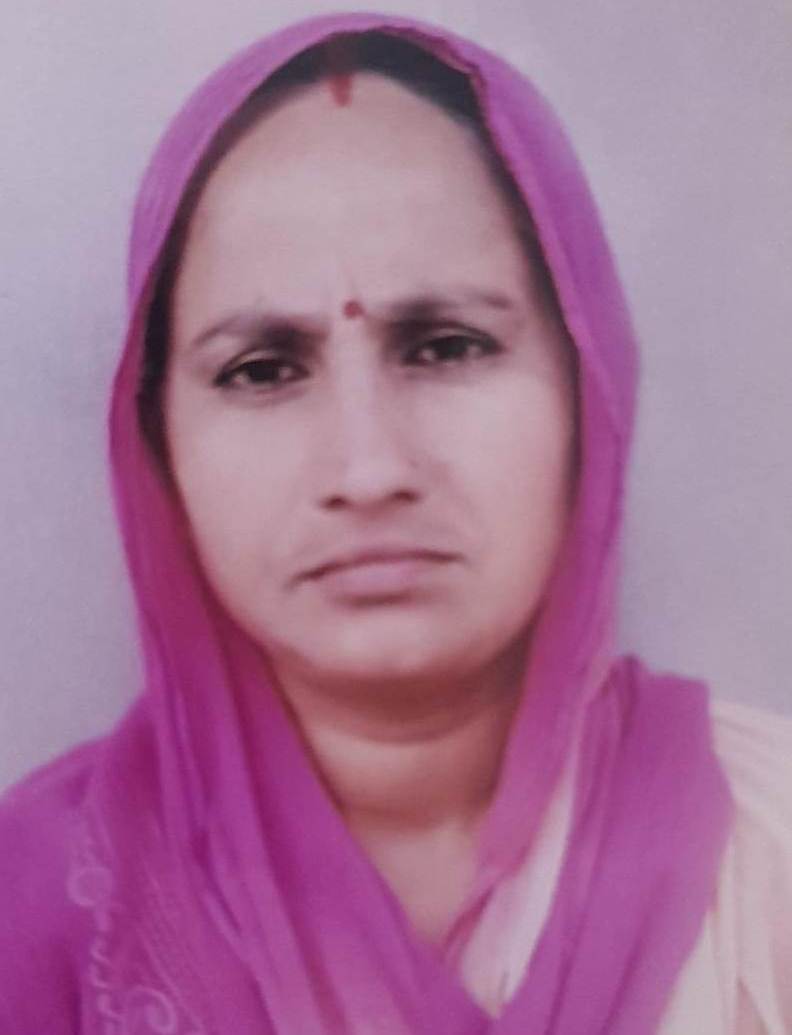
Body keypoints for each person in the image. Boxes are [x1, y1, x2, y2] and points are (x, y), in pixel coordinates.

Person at [0, 12, 789, 1034]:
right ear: (159, 446)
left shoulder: (767, 861)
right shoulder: (30, 907)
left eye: (448, 346)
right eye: (262, 370)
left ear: (589, 386)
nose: (369, 469)